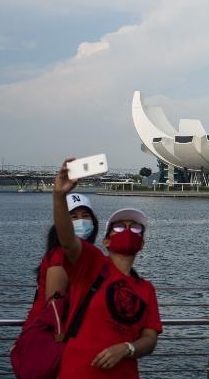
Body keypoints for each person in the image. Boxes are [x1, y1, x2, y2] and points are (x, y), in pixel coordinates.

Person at [53, 158, 162, 378]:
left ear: (142, 243)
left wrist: (126, 348)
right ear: (106, 241)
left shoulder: (146, 289)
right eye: (120, 226)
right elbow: (67, 240)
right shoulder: (90, 263)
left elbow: (149, 340)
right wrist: (59, 196)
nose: (128, 230)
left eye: (136, 228)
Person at [23, 193, 99, 329]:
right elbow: (54, 310)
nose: (81, 221)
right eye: (74, 217)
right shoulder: (59, 257)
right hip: (57, 335)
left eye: (85, 216)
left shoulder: (90, 255)